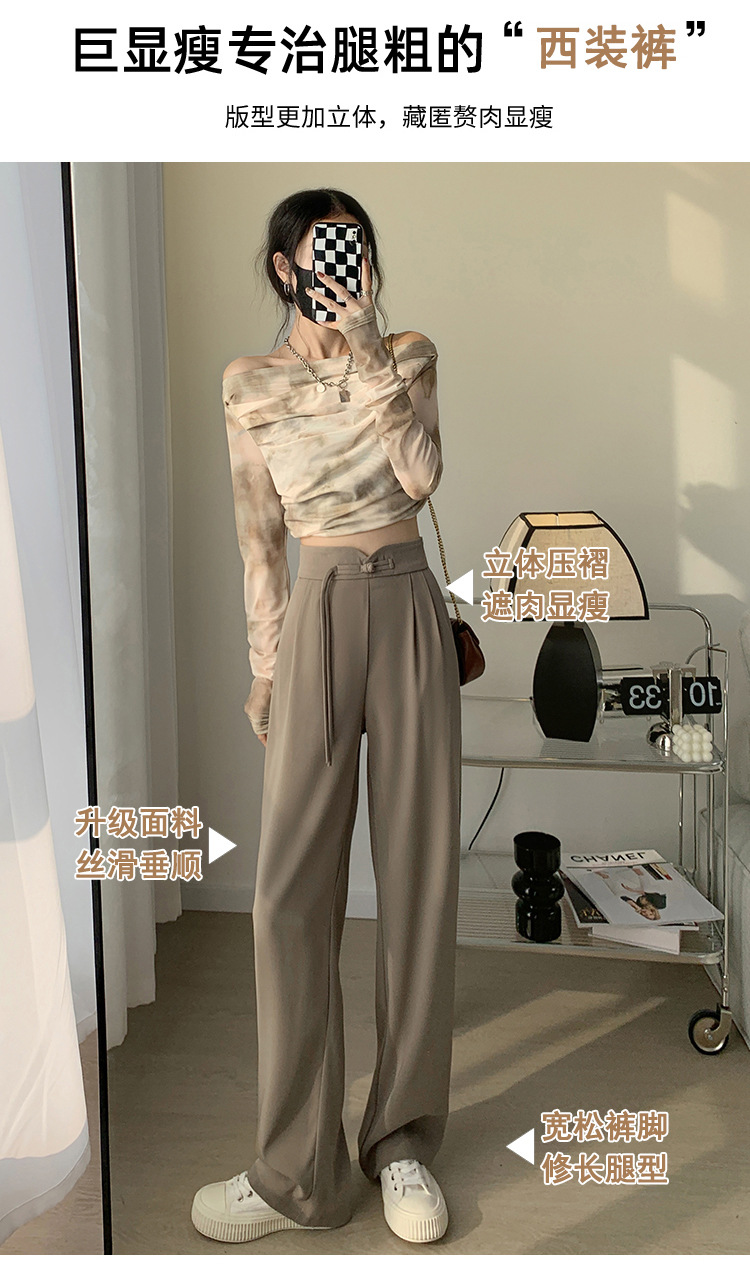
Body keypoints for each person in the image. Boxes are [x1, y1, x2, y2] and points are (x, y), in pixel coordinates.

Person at [190, 189, 462, 1246]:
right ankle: (297, 1170)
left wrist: (370, 349)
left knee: (419, 878)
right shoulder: (247, 384)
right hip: (315, 613)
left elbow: (422, 478)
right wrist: (266, 670)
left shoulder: (409, 352)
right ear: (283, 266)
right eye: (323, 249)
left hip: (408, 606)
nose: (344, 265)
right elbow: (258, 538)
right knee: (288, 895)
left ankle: (401, 1142)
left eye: (357, 248)